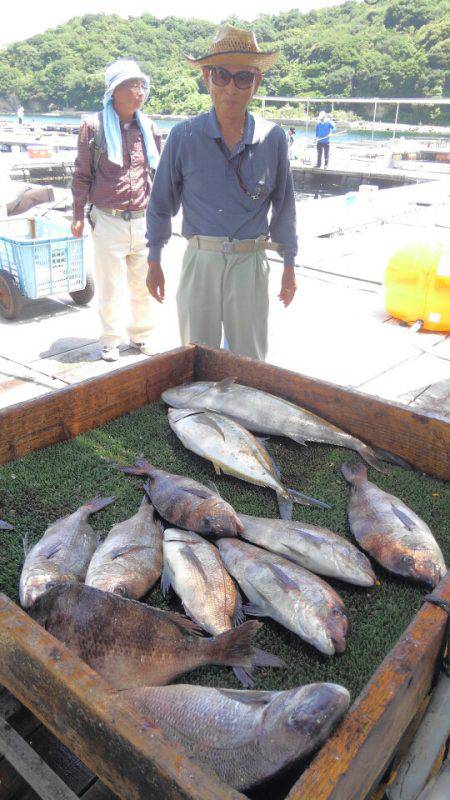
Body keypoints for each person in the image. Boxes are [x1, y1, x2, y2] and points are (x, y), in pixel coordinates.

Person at [146, 26, 297, 362]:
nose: (232, 87)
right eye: (222, 75)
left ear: (256, 82)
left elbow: (284, 208)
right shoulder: (183, 136)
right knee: (195, 357)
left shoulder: (273, 138)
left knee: (251, 359)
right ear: (206, 78)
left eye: (243, 77)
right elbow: (159, 205)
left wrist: (289, 264)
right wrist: (154, 257)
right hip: (201, 259)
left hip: (251, 260)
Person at [71, 59, 161, 362]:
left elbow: (157, 174)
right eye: (131, 86)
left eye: (141, 85)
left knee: (143, 283)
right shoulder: (93, 127)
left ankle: (141, 336)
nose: (139, 92)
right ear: (114, 92)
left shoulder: (148, 127)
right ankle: (110, 340)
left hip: (142, 220)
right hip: (107, 221)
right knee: (110, 287)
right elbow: (82, 174)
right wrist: (76, 216)